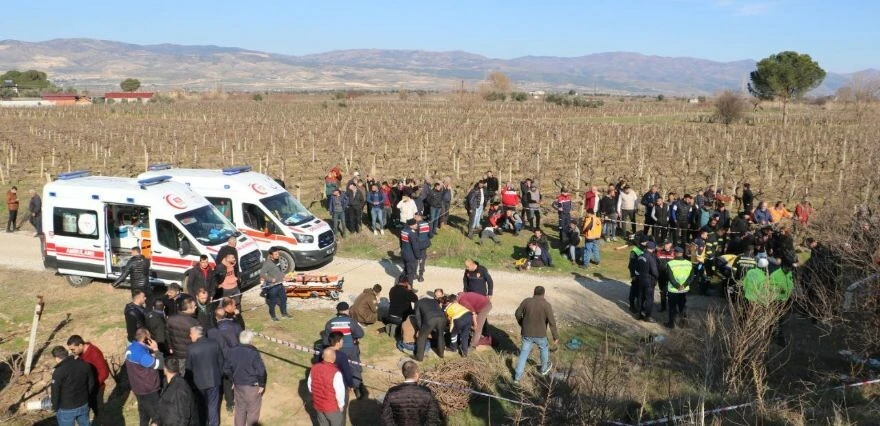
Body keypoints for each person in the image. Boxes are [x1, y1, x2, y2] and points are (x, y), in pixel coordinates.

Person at [513, 286, 558, 383]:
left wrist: (522, 323)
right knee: (544, 348)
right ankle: (543, 369)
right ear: (543, 294)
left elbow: (517, 314)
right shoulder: (546, 305)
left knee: (524, 353)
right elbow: (552, 322)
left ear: (534, 293)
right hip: (540, 334)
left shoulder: (526, 301)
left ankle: (517, 377)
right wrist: (555, 336)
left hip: (526, 334)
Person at [322, 302, 366, 398]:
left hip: (336, 350)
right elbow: (360, 334)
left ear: (337, 311)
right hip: (351, 348)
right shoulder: (351, 321)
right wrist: (353, 338)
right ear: (347, 310)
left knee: (337, 368)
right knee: (354, 366)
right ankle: (357, 387)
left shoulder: (330, 322)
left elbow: (326, 340)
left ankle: (339, 387)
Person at [380, 361, 442, 426]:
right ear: (416, 374)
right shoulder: (426, 392)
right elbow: (433, 418)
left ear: (403, 373)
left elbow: (386, 418)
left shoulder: (392, 393)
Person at [224, 330, 266, 426]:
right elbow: (261, 370)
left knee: (240, 410)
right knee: (253, 411)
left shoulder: (232, 350)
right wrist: (262, 384)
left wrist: (233, 380)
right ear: (250, 340)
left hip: (238, 386)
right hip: (251, 387)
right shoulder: (253, 352)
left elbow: (226, 368)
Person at [187, 325, 224, 426]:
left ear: (195, 334)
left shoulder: (191, 348)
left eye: (190, 333)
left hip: (199, 383)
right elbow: (221, 362)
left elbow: (188, 368)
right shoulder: (214, 343)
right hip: (214, 380)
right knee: (213, 405)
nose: (189, 336)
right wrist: (219, 375)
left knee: (202, 406)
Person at [125, 328, 163, 426]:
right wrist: (156, 349)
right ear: (146, 339)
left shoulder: (130, 348)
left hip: (137, 388)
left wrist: (150, 353)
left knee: (144, 416)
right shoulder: (142, 355)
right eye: (149, 338)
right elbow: (160, 365)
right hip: (149, 390)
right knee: (158, 417)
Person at [66, 335, 109, 421]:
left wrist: (93, 385)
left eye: (73, 349)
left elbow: (104, 373)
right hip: (87, 388)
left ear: (81, 345)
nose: (72, 352)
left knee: (98, 409)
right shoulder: (81, 353)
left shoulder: (94, 353)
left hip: (96, 387)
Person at [50, 345, 93, 426]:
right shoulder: (84, 364)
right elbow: (91, 383)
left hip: (66, 409)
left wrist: (55, 407)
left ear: (57, 358)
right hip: (83, 404)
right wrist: (87, 398)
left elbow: (55, 392)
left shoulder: (58, 372)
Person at [308, 348, 346, 426]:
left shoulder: (314, 368)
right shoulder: (336, 373)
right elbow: (340, 392)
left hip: (318, 404)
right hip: (332, 407)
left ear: (322, 356)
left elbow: (310, 385)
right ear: (333, 359)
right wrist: (341, 405)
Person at [156, 357, 197, 426]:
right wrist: (156, 421)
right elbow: (163, 404)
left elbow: (184, 417)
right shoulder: (166, 382)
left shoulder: (180, 388)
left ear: (165, 369)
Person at [413, 292, 447, 361]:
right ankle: (441, 355)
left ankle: (419, 357)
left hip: (430, 319)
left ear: (420, 299)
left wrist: (420, 329)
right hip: (442, 318)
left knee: (422, 337)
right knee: (440, 335)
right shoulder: (433, 301)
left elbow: (418, 318)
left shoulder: (418, 303)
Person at [665, 247, 693, 328]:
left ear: (674, 253)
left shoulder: (670, 263)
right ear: (682, 253)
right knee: (682, 306)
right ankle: (683, 323)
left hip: (673, 290)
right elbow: (691, 277)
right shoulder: (689, 263)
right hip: (684, 290)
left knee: (672, 307)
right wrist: (684, 285)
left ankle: (671, 324)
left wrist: (677, 286)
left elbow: (670, 277)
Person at [260, 248, 290, 321]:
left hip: (280, 284)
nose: (278, 255)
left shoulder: (278, 260)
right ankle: (273, 316)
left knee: (284, 299)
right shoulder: (267, 263)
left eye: (278, 253)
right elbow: (262, 274)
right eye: (275, 254)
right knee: (272, 302)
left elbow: (280, 271)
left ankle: (284, 313)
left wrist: (284, 277)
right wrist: (270, 279)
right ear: (271, 255)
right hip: (272, 287)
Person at [636, 241, 660, 321]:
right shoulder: (651, 258)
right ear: (653, 249)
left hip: (640, 279)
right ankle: (647, 316)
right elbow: (654, 271)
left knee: (640, 297)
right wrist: (657, 277)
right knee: (649, 299)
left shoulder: (640, 256)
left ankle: (639, 314)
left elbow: (637, 269)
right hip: (649, 281)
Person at [655, 240, 675, 313]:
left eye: (667, 244)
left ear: (671, 244)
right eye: (665, 244)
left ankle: (672, 307)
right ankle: (663, 307)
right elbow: (656, 263)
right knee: (663, 292)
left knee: (671, 292)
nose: (665, 245)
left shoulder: (674, 253)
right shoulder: (659, 252)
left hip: (671, 276)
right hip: (661, 276)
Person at [399, 219, 421, 284]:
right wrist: (418, 257)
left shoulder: (403, 231)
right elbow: (415, 247)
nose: (417, 225)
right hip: (410, 256)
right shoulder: (412, 233)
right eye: (415, 224)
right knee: (410, 273)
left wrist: (402, 249)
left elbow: (400, 242)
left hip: (404, 253)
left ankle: (400, 283)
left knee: (405, 270)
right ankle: (409, 288)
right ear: (411, 225)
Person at [414, 212, 432, 282]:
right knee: (422, 260)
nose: (414, 218)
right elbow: (430, 235)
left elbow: (414, 236)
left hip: (417, 245)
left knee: (415, 259)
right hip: (424, 244)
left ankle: (415, 274)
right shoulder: (427, 224)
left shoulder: (416, 225)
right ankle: (421, 276)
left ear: (419, 217)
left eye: (415, 216)